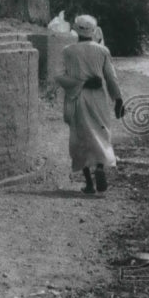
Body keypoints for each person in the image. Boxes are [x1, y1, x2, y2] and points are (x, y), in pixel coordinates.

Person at [55, 14, 125, 195]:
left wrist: (81, 83)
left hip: (77, 97)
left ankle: (88, 183)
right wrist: (118, 100)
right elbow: (111, 79)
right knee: (101, 133)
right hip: (98, 98)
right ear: (94, 31)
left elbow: (59, 76)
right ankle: (100, 167)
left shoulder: (67, 51)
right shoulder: (102, 51)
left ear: (76, 30)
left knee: (81, 138)